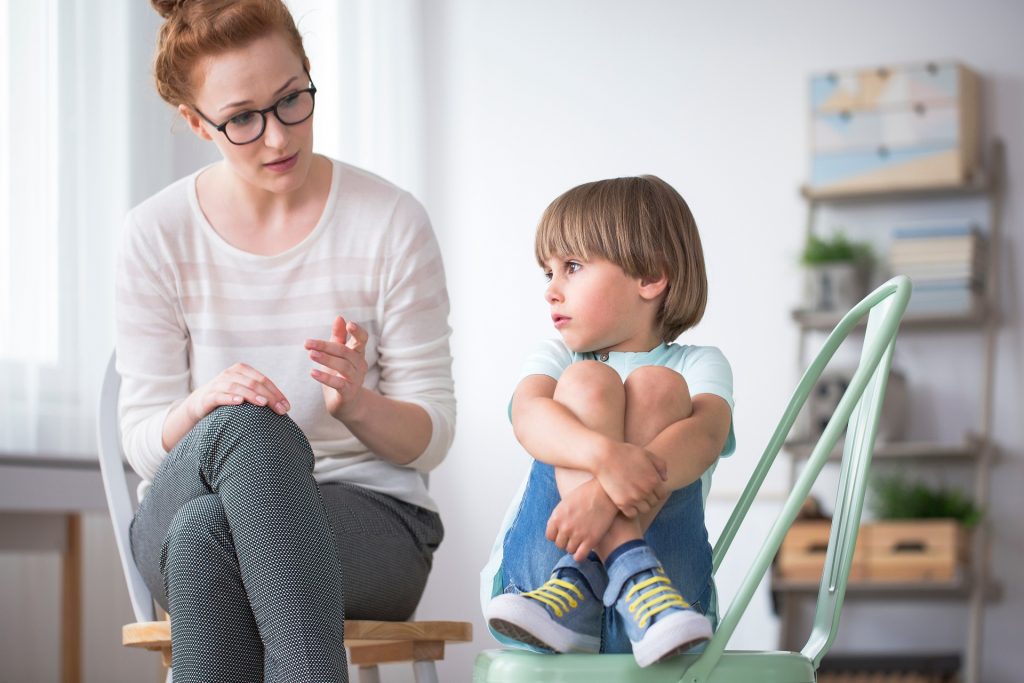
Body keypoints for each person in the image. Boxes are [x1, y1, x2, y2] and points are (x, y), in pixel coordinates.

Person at [116, 2, 454, 681]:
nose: (277, 138)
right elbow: (141, 438)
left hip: (372, 525)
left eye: (292, 98)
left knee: (207, 536)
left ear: (307, 75)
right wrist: (203, 406)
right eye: (242, 118)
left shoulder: (390, 221)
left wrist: (358, 403)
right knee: (246, 428)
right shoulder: (154, 234)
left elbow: (433, 436)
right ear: (194, 122)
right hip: (185, 494)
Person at [481, 175, 735, 668]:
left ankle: (624, 577)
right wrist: (605, 457)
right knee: (586, 382)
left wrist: (601, 496)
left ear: (650, 277)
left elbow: (705, 437)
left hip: (664, 603)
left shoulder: (699, 365)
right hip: (539, 589)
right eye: (547, 272)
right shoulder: (556, 358)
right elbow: (529, 417)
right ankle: (606, 571)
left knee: (659, 387)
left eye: (571, 267)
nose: (551, 291)